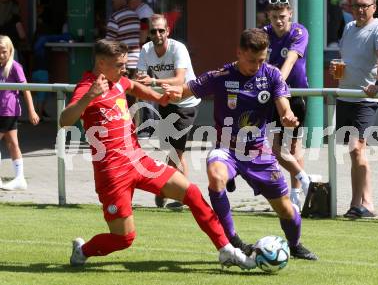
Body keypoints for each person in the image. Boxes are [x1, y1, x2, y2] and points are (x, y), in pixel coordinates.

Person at [60, 39, 255, 270]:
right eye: (119, 64)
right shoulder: (87, 87)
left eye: (124, 64)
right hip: (112, 174)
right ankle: (83, 251)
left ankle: (226, 250)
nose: (124, 69)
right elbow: (64, 120)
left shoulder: (117, 81)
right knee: (124, 239)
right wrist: (88, 98)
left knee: (191, 192)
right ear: (101, 63)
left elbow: (132, 86)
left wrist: (159, 98)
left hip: (139, 162)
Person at [163, 28, 318, 260]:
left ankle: (294, 245)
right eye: (251, 60)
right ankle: (233, 240)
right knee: (215, 175)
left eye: (261, 60)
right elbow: (188, 89)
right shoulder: (222, 75)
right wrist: (175, 92)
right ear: (239, 52)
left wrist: (287, 116)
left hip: (258, 152)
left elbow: (283, 105)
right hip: (227, 148)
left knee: (285, 209)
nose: (256, 66)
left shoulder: (272, 75)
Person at [329, 0, 378, 218]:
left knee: (357, 148)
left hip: (367, 98)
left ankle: (361, 204)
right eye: (357, 5)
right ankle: (364, 203)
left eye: (365, 6)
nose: (361, 9)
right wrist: (336, 69)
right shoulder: (348, 27)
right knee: (355, 152)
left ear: (374, 7)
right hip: (346, 95)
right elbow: (346, 58)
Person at [136, 14, 201, 210]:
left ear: (168, 32)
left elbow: (180, 80)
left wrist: (153, 82)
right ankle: (177, 194)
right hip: (166, 102)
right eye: (154, 31)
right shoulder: (146, 50)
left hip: (186, 102)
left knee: (176, 151)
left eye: (161, 30)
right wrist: (141, 80)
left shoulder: (177, 48)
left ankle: (169, 191)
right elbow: (140, 77)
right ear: (149, 33)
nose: (157, 34)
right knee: (172, 151)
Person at [263, 0, 313, 209]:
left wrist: (277, 84)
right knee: (274, 149)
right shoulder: (264, 33)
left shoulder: (299, 32)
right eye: (274, 17)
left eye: (282, 16)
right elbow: (260, 61)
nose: (278, 21)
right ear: (268, 17)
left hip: (295, 95)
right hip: (273, 96)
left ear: (290, 14)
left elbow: (290, 61)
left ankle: (295, 195)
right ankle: (304, 179)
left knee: (294, 146)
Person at [0, 35, 39, 191]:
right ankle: (20, 178)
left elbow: (25, 89)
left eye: (4, 51)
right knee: (12, 143)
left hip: (8, 111)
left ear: (10, 51)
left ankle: (19, 178)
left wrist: (31, 110)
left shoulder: (15, 67)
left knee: (12, 143)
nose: (1, 55)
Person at [106, 0, 141, 78]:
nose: (113, 2)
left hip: (123, 63)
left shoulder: (115, 17)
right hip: (137, 62)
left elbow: (108, 44)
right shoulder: (135, 16)